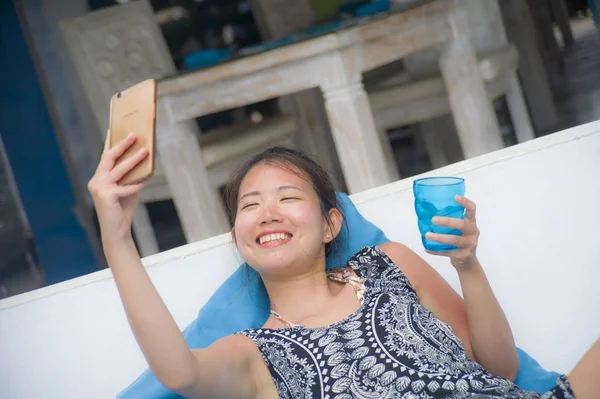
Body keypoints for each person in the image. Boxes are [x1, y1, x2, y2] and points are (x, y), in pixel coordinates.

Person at [89, 133, 599, 399]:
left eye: (288, 197)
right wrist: (117, 238)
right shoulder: (254, 355)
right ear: (238, 240)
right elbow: (178, 372)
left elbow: (501, 369)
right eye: (249, 206)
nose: (267, 213)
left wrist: (467, 264)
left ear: (332, 224)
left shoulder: (390, 264)